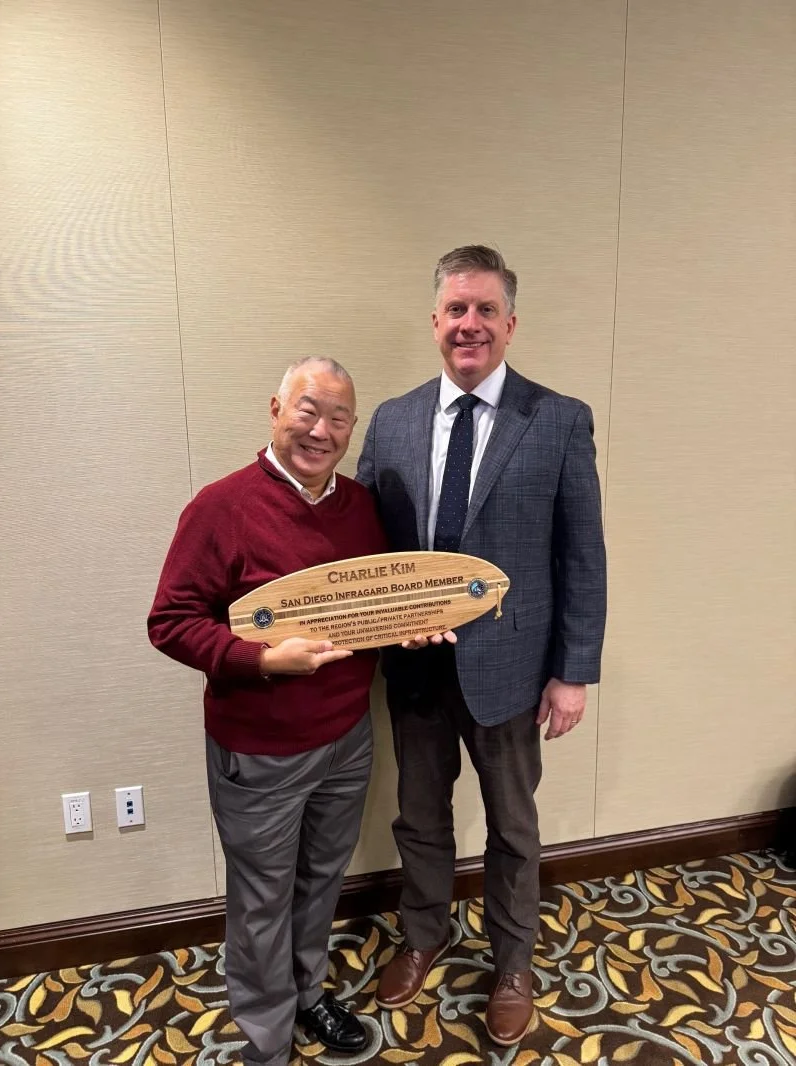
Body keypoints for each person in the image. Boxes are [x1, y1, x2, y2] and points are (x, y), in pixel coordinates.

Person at [356, 246, 607, 1047]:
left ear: (510, 324)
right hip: (416, 667)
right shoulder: (392, 420)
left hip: (512, 669)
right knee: (419, 817)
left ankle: (512, 963)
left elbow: (582, 555)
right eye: (456, 310)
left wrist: (573, 673)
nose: (470, 324)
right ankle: (424, 934)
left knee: (513, 826)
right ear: (435, 322)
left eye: (486, 310)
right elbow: (367, 549)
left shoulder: (559, 418)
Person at [148, 357, 388, 1066]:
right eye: (307, 410)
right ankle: (267, 1039)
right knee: (260, 901)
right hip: (260, 749)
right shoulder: (220, 506)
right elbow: (170, 621)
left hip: (349, 735)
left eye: (338, 417)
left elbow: (365, 607)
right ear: (276, 408)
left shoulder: (361, 506)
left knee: (321, 881)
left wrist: (406, 623)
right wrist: (259, 659)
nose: (321, 430)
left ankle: (307, 991)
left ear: (351, 429)